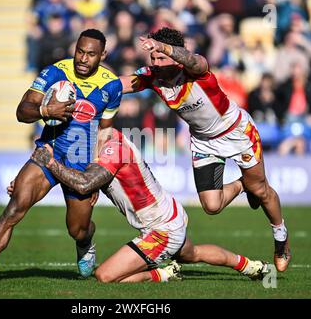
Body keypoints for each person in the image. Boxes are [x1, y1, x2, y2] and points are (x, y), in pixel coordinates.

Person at [120, 27, 291, 272]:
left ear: (175, 55)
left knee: (262, 190)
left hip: (236, 132)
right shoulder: (152, 77)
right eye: (153, 58)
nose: (156, 62)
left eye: (161, 57)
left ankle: (281, 239)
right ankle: (245, 183)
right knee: (212, 206)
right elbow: (120, 85)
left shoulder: (195, 70)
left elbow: (193, 60)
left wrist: (163, 47)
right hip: (203, 141)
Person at [0, 29, 123, 285]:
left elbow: (104, 132)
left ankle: (86, 242)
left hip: (80, 164)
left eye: (91, 54)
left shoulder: (112, 85)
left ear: (103, 55)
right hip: (47, 154)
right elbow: (22, 111)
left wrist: (96, 173)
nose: (83, 58)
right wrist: (45, 109)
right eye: (80, 51)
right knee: (14, 208)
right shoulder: (54, 72)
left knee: (77, 229)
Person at [21, 128, 271, 283]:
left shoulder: (112, 150)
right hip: (170, 214)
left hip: (161, 230)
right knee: (192, 254)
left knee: (105, 276)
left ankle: (163, 274)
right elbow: (86, 179)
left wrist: (52, 164)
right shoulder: (106, 142)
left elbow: (85, 185)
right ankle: (250, 266)